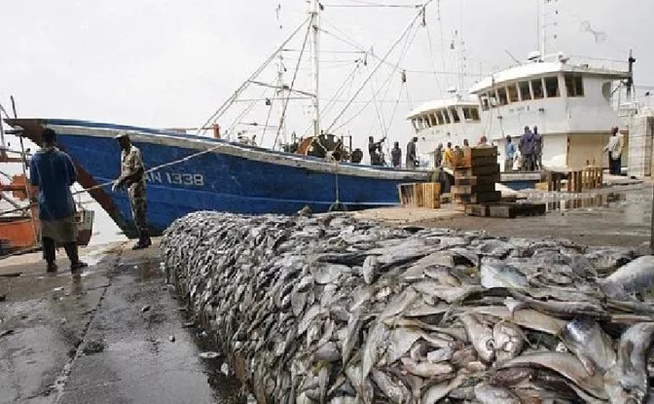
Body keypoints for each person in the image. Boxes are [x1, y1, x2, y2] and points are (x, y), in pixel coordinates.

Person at [29, 128, 88, 273]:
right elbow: (73, 177)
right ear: (54, 140)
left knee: (48, 235)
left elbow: (35, 181)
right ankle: (74, 261)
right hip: (63, 201)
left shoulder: (35, 159)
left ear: (42, 140)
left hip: (45, 202)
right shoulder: (63, 157)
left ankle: (50, 264)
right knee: (68, 232)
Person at [112, 132, 152, 249]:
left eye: (121, 140)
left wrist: (123, 180)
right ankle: (144, 238)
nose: (120, 143)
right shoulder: (123, 153)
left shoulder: (135, 151)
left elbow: (139, 170)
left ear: (127, 140)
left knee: (139, 213)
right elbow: (125, 171)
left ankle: (144, 239)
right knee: (135, 214)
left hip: (137, 185)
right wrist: (121, 180)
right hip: (130, 186)